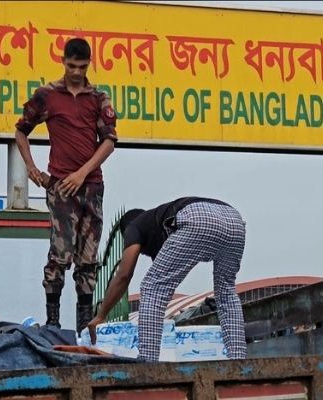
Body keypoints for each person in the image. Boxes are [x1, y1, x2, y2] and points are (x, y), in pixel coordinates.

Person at [14, 37, 118, 333]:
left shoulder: (98, 98)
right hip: (60, 187)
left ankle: (85, 327)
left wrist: (82, 174)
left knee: (88, 259)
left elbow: (109, 141)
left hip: (91, 186)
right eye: (71, 65)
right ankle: (54, 323)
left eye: (82, 66)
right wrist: (32, 168)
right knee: (60, 255)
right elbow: (21, 131)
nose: (76, 71)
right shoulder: (47, 95)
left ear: (89, 65)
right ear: (63, 61)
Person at [87, 197, 247, 361]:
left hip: (199, 218)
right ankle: (238, 359)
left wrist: (101, 315)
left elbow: (124, 274)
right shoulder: (158, 226)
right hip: (234, 221)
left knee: (151, 288)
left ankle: (148, 362)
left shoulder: (134, 226)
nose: (141, 252)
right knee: (226, 293)